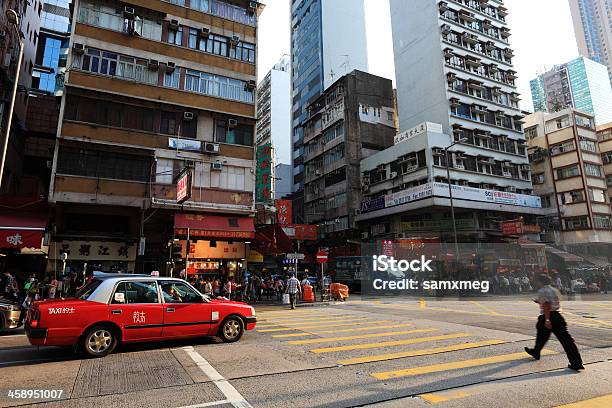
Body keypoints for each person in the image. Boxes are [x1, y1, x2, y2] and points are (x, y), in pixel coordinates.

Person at [525, 274, 584, 371]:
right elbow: (553, 302)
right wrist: (540, 302)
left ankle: (536, 351)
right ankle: (576, 362)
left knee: (543, 332)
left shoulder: (542, 291)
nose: (536, 283)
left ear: (540, 282)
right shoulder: (554, 289)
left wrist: (547, 319)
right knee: (565, 340)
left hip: (548, 316)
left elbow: (547, 305)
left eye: (537, 281)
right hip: (557, 315)